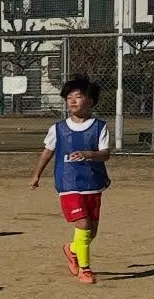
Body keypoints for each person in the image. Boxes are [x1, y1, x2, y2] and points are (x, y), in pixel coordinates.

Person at [29, 74, 111, 285]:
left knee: (91, 232)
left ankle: (71, 250)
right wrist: (37, 175)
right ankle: (85, 270)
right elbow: (47, 152)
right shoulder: (58, 129)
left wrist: (89, 154)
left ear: (90, 101)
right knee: (82, 225)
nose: (72, 101)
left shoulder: (99, 126)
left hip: (92, 184)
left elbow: (105, 154)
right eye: (68, 98)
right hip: (68, 183)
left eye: (78, 96)